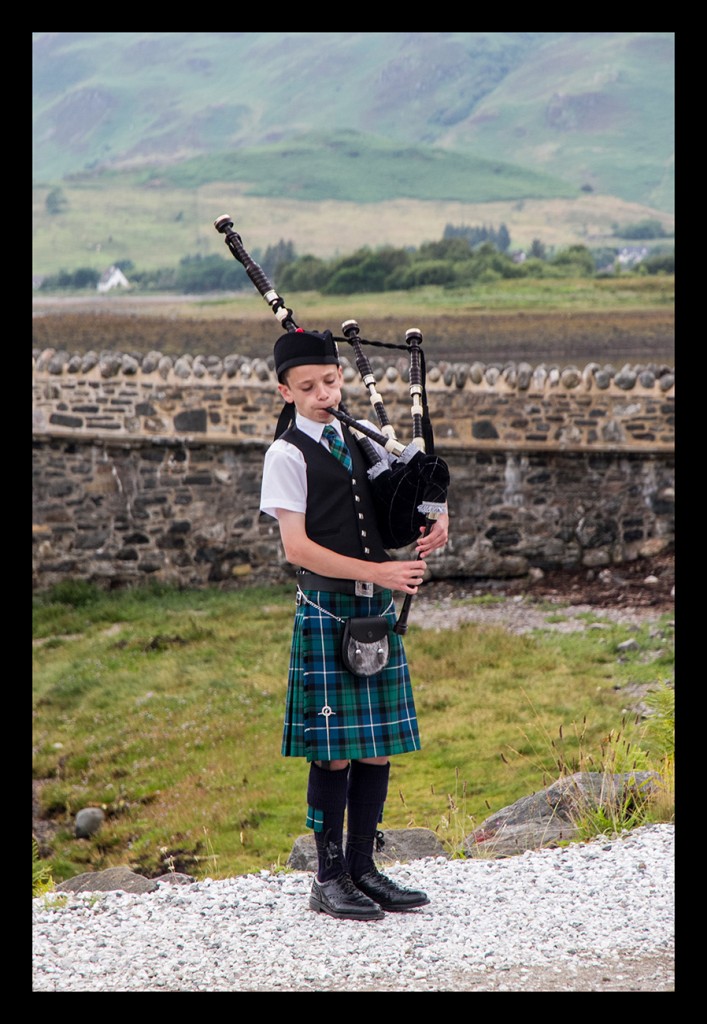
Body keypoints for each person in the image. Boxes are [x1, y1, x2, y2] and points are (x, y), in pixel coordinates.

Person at [260, 328, 449, 922]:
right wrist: (382, 572)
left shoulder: (359, 435)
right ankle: (329, 876)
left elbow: (407, 489)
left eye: (331, 381)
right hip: (326, 608)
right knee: (335, 753)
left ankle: (365, 869)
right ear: (286, 391)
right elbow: (297, 548)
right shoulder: (286, 454)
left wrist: (435, 516)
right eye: (308, 387)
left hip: (372, 610)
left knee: (376, 749)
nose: (324, 394)